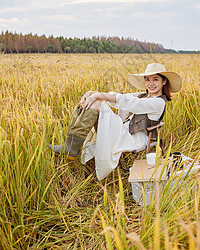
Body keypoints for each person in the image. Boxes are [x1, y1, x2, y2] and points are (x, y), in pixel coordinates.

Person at [49, 63, 182, 180]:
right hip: (124, 132)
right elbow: (122, 97)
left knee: (97, 103)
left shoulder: (158, 102)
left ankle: (71, 147)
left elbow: (131, 103)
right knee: (95, 101)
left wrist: (99, 96)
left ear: (164, 82)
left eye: (155, 79)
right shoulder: (142, 95)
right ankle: (71, 145)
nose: (150, 83)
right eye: (147, 79)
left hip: (134, 139)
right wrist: (94, 93)